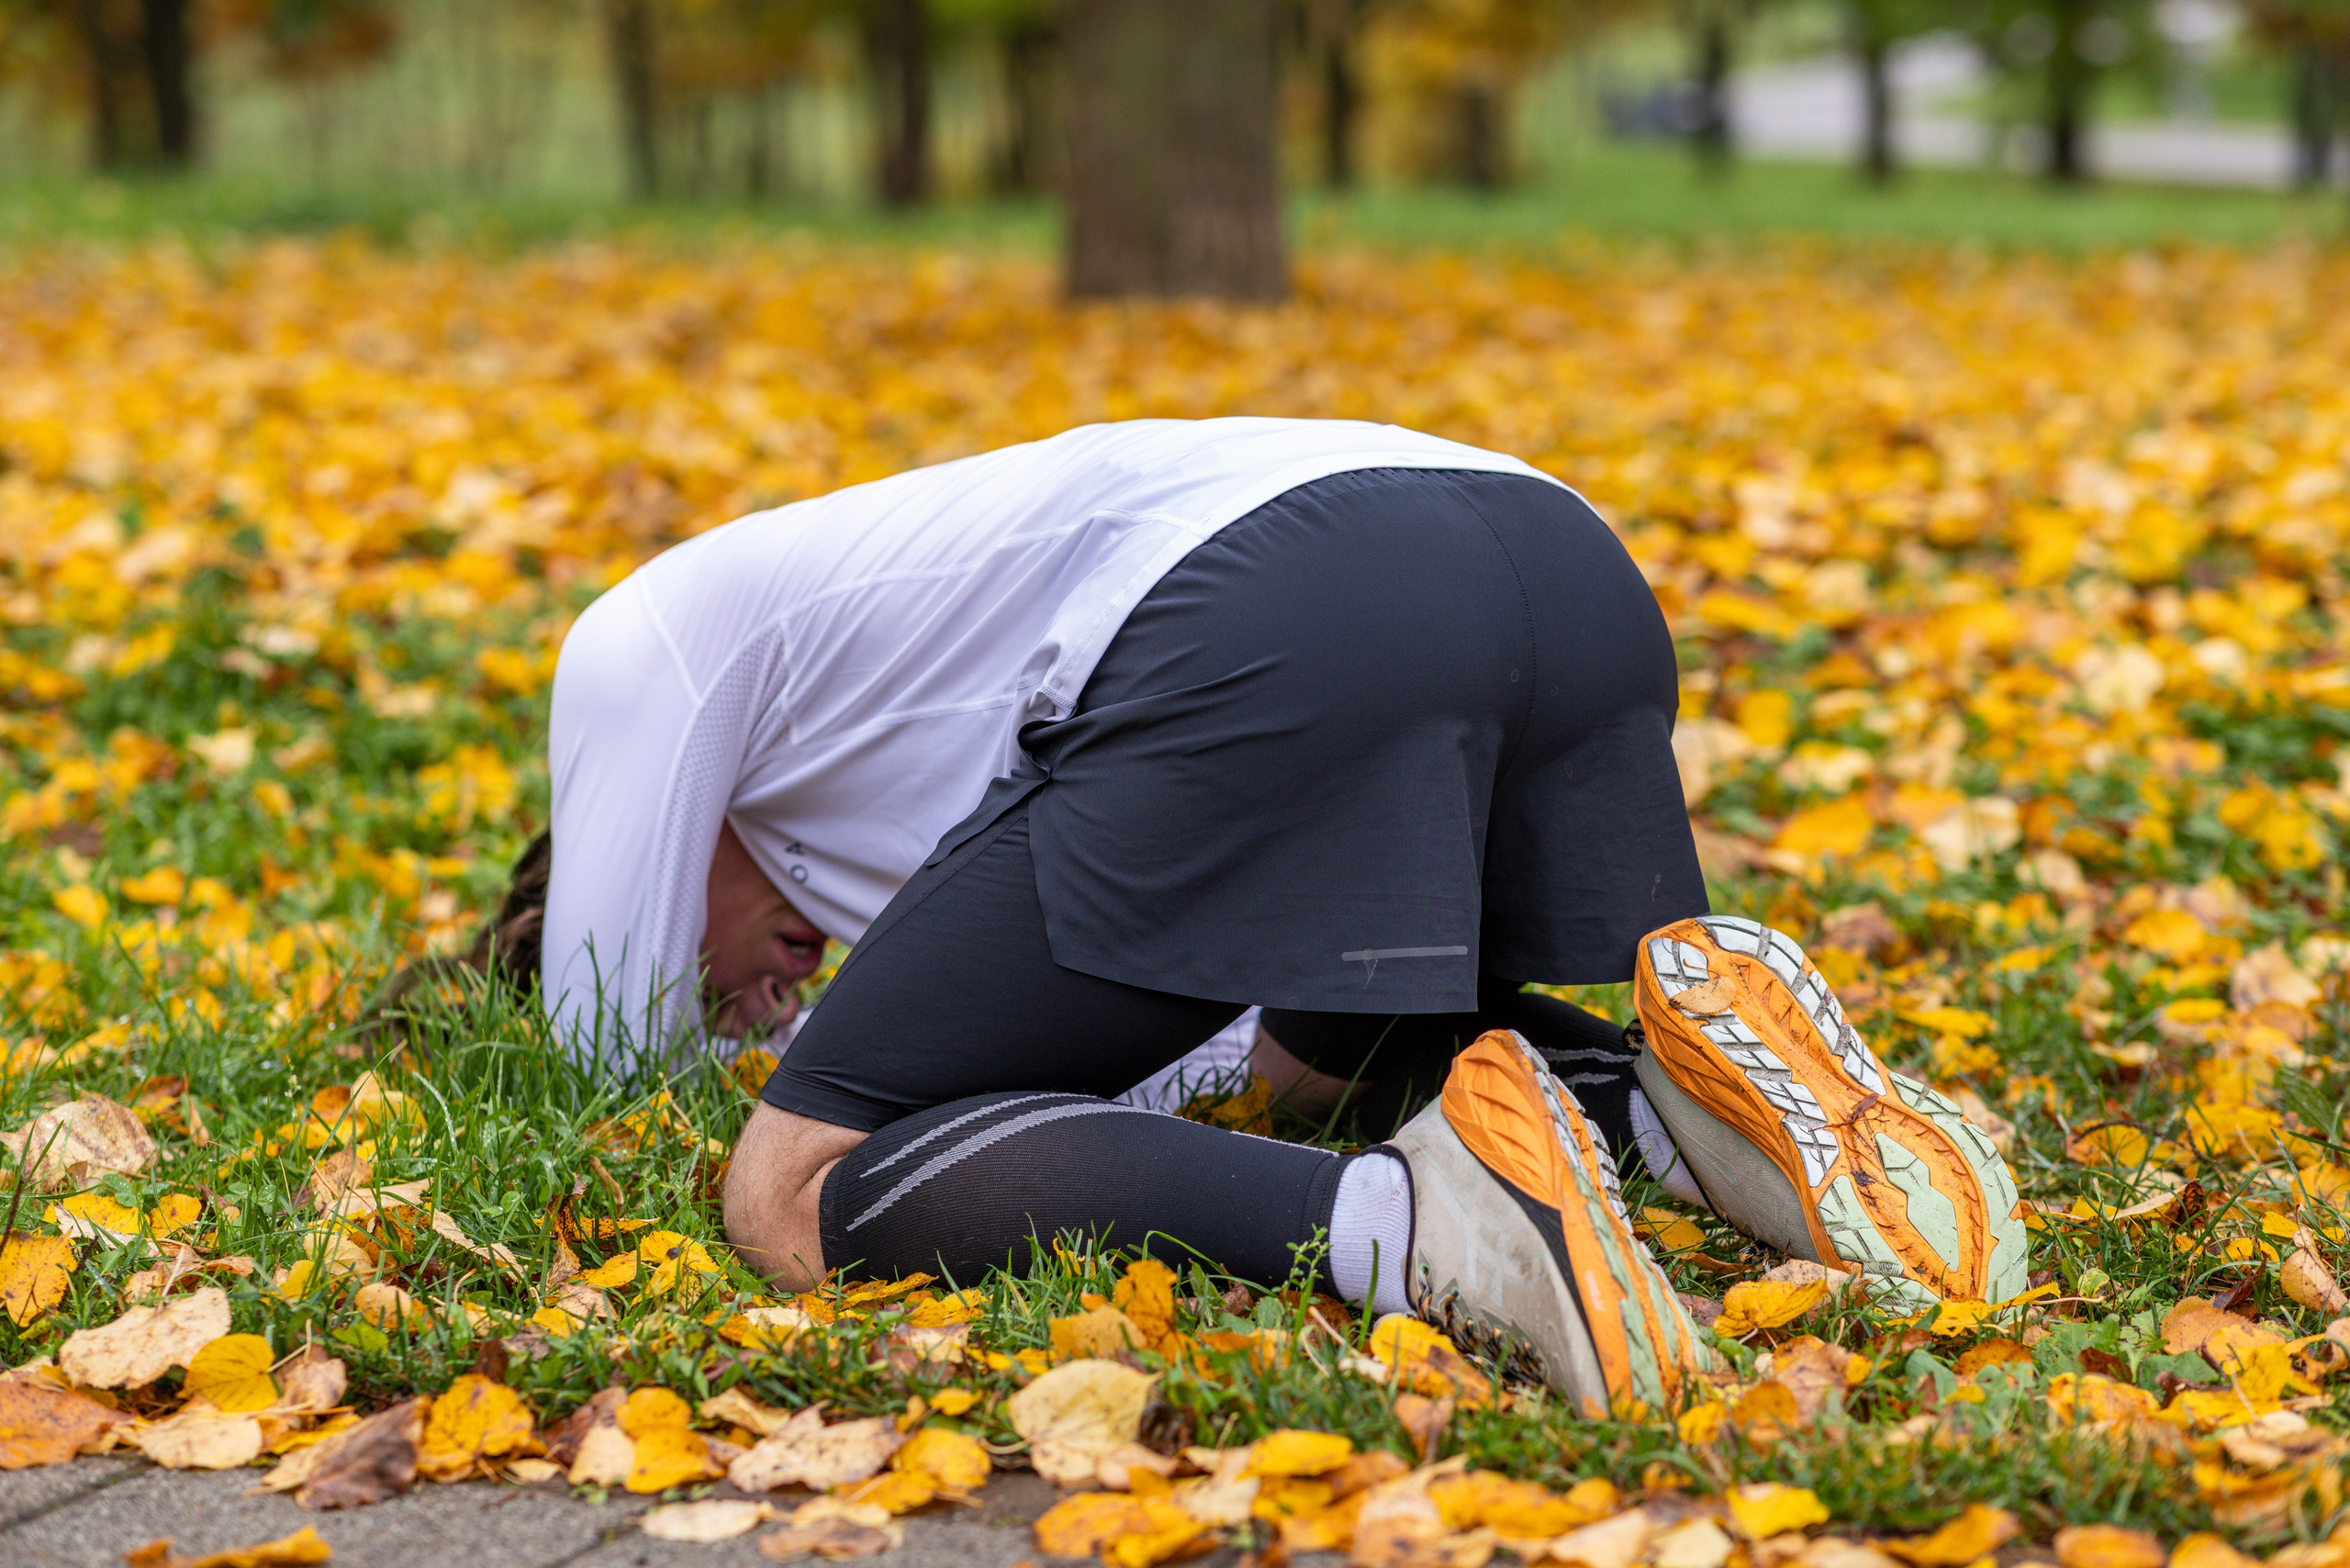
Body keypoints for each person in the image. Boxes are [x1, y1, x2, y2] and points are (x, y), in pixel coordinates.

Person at [529, 418, 2027, 1415]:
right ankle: (1682, 1118)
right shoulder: (870, 713)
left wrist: (666, 1051)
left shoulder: (642, 644)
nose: (773, 1005)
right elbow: (1204, 1046)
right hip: (1558, 562)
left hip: (1284, 598)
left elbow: (595, 1036)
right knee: (1308, 1042)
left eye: (734, 989)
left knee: (793, 1186)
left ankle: (1418, 1225)